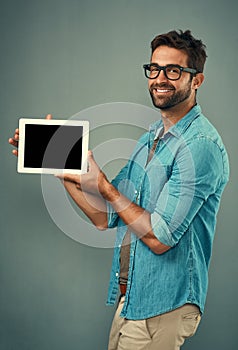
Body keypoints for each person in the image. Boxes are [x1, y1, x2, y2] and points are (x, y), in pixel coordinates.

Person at [9, 29, 230, 350]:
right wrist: (63, 170)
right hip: (132, 299)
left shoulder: (200, 146)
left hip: (165, 306)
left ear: (196, 80)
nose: (160, 78)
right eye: (154, 69)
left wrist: (102, 186)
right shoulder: (150, 138)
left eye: (173, 70)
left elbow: (159, 238)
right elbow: (106, 215)